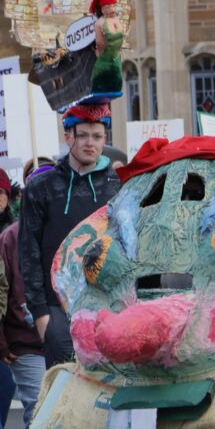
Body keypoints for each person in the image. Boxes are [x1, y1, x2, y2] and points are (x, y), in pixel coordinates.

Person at [20, 105, 121, 367]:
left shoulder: (118, 186)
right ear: (68, 137)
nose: (90, 143)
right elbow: (28, 253)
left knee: (105, 399)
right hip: (57, 311)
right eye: (83, 135)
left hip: (106, 308)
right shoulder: (41, 187)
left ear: (105, 139)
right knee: (63, 399)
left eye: (97, 136)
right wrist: (42, 316)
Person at [0, 220, 45, 421]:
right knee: (40, 410)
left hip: (64, 338)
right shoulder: (10, 237)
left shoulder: (67, 227)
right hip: (25, 341)